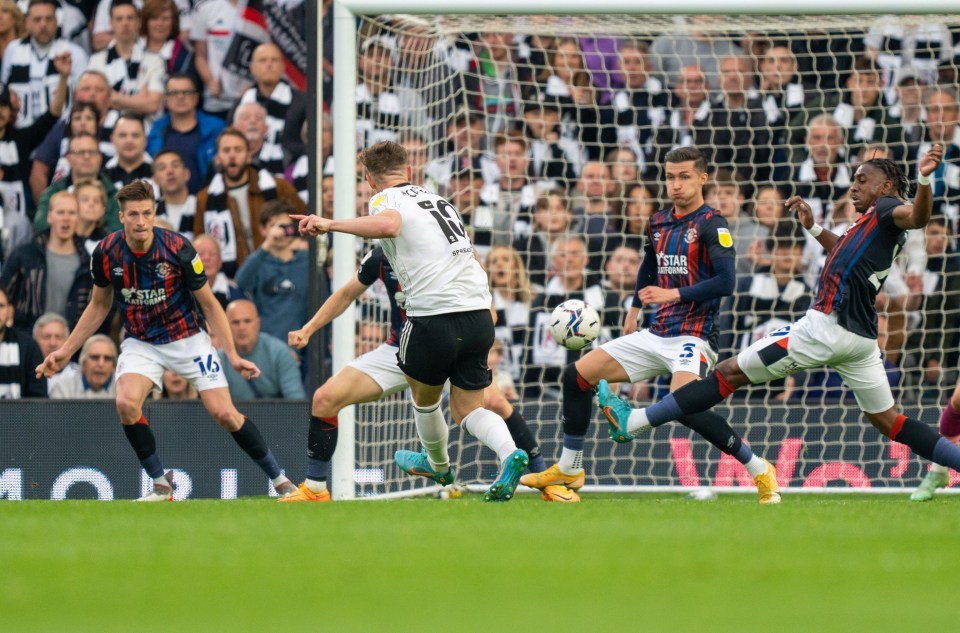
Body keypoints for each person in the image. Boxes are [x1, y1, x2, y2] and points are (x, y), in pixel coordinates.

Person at [600, 145, 960, 504]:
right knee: (890, 421)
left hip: (825, 328)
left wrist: (925, 176)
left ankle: (636, 421)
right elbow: (843, 252)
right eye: (853, 180)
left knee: (727, 373)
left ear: (885, 187)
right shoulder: (869, 223)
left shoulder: (885, 209)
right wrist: (814, 227)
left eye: (863, 181)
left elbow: (918, 217)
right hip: (861, 340)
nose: (854, 187)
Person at [519, 147, 776, 503]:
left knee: (684, 404)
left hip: (695, 336)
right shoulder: (658, 221)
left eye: (684, 176)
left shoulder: (713, 224)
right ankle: (569, 467)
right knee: (576, 377)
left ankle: (759, 469)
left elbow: (726, 282)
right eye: (670, 177)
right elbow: (649, 264)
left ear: (703, 178)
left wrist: (673, 295)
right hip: (656, 333)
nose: (676, 184)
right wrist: (635, 306)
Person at [293, 140, 529, 502]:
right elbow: (466, 255)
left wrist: (330, 223)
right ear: (409, 171)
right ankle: (510, 453)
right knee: (468, 408)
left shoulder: (386, 200)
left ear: (369, 179)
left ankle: (437, 465)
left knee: (425, 400)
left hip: (430, 320)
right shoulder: (440, 202)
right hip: (478, 317)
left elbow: (388, 225)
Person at [35, 180, 298, 501]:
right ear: (121, 216)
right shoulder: (105, 253)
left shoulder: (178, 248)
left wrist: (231, 353)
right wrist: (65, 351)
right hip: (141, 342)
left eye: (147, 213)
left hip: (189, 340)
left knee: (225, 414)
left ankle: (281, 479)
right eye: (133, 215)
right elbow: (99, 305)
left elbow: (210, 303)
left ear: (155, 212)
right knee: (126, 403)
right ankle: (161, 484)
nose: (141, 221)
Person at [278, 245, 547, 502]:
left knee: (495, 403)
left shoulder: (453, 250)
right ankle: (315, 488)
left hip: (448, 344)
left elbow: (487, 311)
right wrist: (309, 328)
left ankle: (542, 476)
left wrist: (467, 347)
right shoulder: (382, 256)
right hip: (399, 349)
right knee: (325, 398)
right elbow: (347, 293)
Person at [194, 127, 305, 276]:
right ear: (218, 157)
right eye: (226, 150)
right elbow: (201, 240)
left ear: (248, 156)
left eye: (238, 150)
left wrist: (297, 241)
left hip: (279, 268)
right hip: (232, 276)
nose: (232, 155)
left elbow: (305, 218)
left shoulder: (278, 186)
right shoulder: (205, 198)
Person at [220, 299, 305, 399]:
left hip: (276, 413)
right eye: (235, 322)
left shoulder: (279, 352)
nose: (242, 327)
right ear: (226, 326)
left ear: (258, 323)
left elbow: (296, 400)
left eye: (247, 321)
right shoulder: (219, 359)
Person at [0, 286, 46, 398]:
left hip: (18, 415)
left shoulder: (28, 346)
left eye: (0, 306)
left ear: (10, 311)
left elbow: (37, 397)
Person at [49, 334, 117, 398]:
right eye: (95, 357)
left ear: (114, 366)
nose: (101, 364)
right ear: (83, 362)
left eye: (107, 359)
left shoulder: (123, 389)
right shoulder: (63, 388)